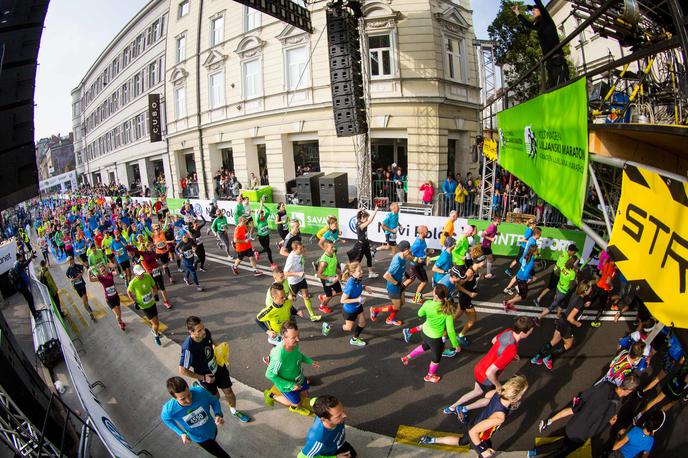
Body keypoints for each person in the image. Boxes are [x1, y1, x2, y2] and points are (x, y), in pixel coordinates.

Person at [444, 316, 535, 421]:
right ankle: (464, 409)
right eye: (530, 332)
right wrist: (498, 386)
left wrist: (505, 354)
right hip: (486, 377)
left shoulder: (508, 331)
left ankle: (452, 407)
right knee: (493, 398)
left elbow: (493, 340)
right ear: (523, 333)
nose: (531, 333)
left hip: (479, 367)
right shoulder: (511, 349)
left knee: (477, 391)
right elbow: (490, 372)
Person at [530, 374, 641, 457]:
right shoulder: (614, 405)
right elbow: (597, 427)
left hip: (573, 424)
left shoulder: (605, 385)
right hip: (581, 435)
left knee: (563, 441)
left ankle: (536, 451)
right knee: (562, 453)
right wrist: (609, 424)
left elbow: (584, 395)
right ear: (629, 390)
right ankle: (537, 452)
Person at [420, 375, 529, 458]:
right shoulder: (500, 417)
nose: (521, 396)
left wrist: (510, 403)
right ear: (514, 397)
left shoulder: (500, 392)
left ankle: (430, 440)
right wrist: (483, 450)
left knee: (462, 442)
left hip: (475, 422)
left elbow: (487, 396)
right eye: (521, 394)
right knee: (486, 453)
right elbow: (473, 433)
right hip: (479, 434)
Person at [179, 316, 251, 423]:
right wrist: (203, 377)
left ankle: (234, 411)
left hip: (218, 368)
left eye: (203, 328)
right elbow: (182, 370)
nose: (203, 332)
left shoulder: (206, 333)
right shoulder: (188, 348)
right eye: (199, 330)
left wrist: (218, 347)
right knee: (215, 397)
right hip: (206, 376)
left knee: (229, 392)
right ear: (191, 332)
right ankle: (199, 384)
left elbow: (210, 340)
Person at [401, 284, 459, 383]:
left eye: (433, 290)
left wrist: (427, 309)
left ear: (435, 295)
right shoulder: (447, 310)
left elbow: (419, 314)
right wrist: (456, 345)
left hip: (424, 333)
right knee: (436, 359)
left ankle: (407, 357)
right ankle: (430, 376)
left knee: (425, 346)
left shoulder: (427, 303)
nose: (432, 291)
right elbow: (450, 330)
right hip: (435, 339)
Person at [160, 377, 231, 458]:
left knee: (214, 439)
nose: (189, 400)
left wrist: (218, 414)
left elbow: (214, 401)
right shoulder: (169, 410)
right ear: (174, 398)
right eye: (183, 399)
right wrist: (181, 433)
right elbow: (166, 419)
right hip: (199, 438)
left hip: (212, 428)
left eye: (189, 394)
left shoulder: (200, 392)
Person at [531, 281, 592, 369]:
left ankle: (537, 357)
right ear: (585, 291)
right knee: (568, 345)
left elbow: (573, 305)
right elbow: (570, 318)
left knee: (553, 341)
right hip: (566, 325)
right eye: (590, 288)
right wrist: (577, 323)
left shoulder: (576, 294)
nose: (591, 289)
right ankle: (549, 358)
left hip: (561, 320)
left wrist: (583, 305)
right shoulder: (580, 302)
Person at [264, 321, 320, 416]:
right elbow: (269, 375)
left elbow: (298, 355)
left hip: (299, 378)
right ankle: (272, 396)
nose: (298, 339)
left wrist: (310, 361)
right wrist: (290, 385)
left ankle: (297, 402)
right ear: (283, 338)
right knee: (296, 403)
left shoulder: (294, 344)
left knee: (304, 393)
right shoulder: (280, 357)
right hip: (288, 386)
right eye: (293, 337)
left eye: (298, 335)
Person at [513, 1, 569, 89]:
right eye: (532, 11)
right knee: (551, 89)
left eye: (534, 10)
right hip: (549, 63)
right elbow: (528, 24)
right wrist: (517, 13)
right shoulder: (538, 26)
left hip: (557, 60)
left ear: (540, 11)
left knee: (561, 86)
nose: (533, 12)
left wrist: (528, 6)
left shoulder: (547, 20)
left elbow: (539, 4)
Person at [370, 240, 413, 326]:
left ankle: (390, 319)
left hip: (398, 284)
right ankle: (375, 310)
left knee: (401, 303)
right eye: (409, 248)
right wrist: (397, 284)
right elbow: (386, 275)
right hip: (393, 286)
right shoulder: (397, 261)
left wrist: (405, 274)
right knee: (396, 306)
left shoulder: (402, 256)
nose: (410, 250)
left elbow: (401, 268)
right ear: (406, 250)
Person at [126, 240, 173, 309]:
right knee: (154, 287)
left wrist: (161, 264)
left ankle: (166, 302)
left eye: (152, 246)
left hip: (157, 271)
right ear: (147, 247)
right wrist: (126, 246)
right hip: (150, 273)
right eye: (151, 247)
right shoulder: (143, 253)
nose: (152, 248)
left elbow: (157, 259)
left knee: (162, 287)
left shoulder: (154, 252)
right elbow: (132, 249)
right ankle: (154, 296)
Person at [257, 282, 303, 347]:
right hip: (277, 335)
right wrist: (267, 331)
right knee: (278, 351)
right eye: (281, 297)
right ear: (274, 297)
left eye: (284, 295)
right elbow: (257, 320)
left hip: (287, 332)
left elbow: (290, 308)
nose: (284, 298)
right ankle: (271, 357)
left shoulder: (287, 302)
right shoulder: (268, 311)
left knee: (290, 348)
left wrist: (296, 312)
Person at [535, 255, 578, 323]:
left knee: (559, 302)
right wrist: (576, 279)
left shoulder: (563, 266)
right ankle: (539, 317)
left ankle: (558, 316)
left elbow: (558, 272)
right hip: (563, 291)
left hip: (558, 287)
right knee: (552, 306)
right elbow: (571, 286)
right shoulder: (572, 273)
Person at [285, 240, 320, 321]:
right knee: (291, 300)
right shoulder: (291, 259)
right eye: (300, 249)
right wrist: (297, 274)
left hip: (302, 279)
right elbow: (285, 273)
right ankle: (286, 313)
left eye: (302, 248)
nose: (302, 250)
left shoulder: (300, 253)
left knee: (306, 296)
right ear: (294, 250)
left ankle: (312, 316)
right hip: (294, 282)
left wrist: (303, 251)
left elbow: (303, 253)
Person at [127, 264, 162, 346]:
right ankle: (156, 336)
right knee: (156, 324)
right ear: (135, 274)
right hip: (144, 306)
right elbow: (128, 292)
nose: (141, 275)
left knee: (157, 321)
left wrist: (156, 294)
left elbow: (154, 286)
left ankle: (154, 331)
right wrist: (134, 302)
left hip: (152, 302)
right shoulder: (133, 283)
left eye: (142, 273)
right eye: (139, 274)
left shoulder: (147, 276)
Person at [337, 262, 370, 347]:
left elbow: (358, 286)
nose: (362, 272)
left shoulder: (358, 278)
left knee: (362, 323)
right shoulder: (350, 285)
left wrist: (364, 287)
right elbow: (342, 300)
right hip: (350, 310)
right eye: (359, 271)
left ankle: (354, 339)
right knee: (348, 328)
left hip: (358, 306)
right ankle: (330, 327)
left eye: (361, 269)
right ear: (352, 273)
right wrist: (358, 299)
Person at [88, 263, 125, 331]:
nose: (104, 271)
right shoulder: (100, 278)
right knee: (117, 314)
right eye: (102, 271)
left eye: (104, 269)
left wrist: (114, 266)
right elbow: (91, 280)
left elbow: (117, 272)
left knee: (119, 312)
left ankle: (120, 321)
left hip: (116, 296)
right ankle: (120, 323)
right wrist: (89, 272)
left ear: (106, 269)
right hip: (109, 299)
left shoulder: (110, 274)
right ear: (100, 272)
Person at [503, 245, 538, 312]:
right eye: (537, 250)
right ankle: (507, 302)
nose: (538, 251)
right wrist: (531, 277)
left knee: (521, 293)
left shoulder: (526, 255)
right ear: (534, 251)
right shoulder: (531, 261)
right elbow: (526, 273)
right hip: (522, 279)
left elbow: (521, 261)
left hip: (519, 275)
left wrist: (529, 266)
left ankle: (510, 305)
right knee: (523, 296)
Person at [346, 208, 379, 278]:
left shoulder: (361, 221)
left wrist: (361, 210)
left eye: (367, 218)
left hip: (365, 244)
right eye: (366, 218)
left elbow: (360, 215)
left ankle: (370, 272)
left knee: (369, 257)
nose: (367, 220)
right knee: (356, 261)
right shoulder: (360, 225)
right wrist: (375, 210)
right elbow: (370, 221)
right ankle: (347, 271)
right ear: (362, 218)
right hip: (360, 246)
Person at [403, 225, 432, 304]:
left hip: (416, 265)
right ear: (422, 232)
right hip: (416, 266)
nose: (428, 233)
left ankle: (399, 291)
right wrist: (416, 259)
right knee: (424, 282)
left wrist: (428, 250)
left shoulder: (422, 239)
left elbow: (422, 250)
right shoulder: (418, 243)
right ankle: (416, 298)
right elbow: (408, 254)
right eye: (426, 231)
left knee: (411, 279)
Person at [315, 239, 342, 315]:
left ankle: (324, 297)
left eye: (333, 246)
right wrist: (330, 279)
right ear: (325, 248)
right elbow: (319, 274)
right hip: (326, 279)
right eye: (331, 247)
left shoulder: (333, 254)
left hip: (333, 277)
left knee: (339, 292)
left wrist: (339, 273)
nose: (333, 248)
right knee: (329, 296)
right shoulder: (324, 262)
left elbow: (333, 265)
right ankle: (322, 306)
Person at [12, 252, 42, 318]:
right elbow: (25, 264)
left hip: (21, 285)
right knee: (30, 299)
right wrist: (31, 257)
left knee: (30, 298)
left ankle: (35, 312)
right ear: (19, 258)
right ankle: (35, 315)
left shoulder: (16, 264)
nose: (22, 258)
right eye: (21, 257)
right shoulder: (18, 265)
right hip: (22, 286)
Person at [590, 256, 617, 328]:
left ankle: (587, 306)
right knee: (602, 306)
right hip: (604, 289)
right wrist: (611, 286)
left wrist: (604, 276)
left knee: (594, 298)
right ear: (614, 262)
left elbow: (600, 272)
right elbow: (608, 281)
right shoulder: (613, 270)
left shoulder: (605, 264)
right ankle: (595, 322)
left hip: (599, 285)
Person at [254, 199, 275, 268]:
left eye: (262, 214)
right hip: (261, 237)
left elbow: (268, 211)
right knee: (268, 250)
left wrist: (263, 205)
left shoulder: (265, 218)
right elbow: (259, 213)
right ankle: (272, 264)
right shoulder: (258, 221)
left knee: (266, 249)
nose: (262, 216)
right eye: (260, 214)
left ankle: (258, 253)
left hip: (267, 236)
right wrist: (260, 206)